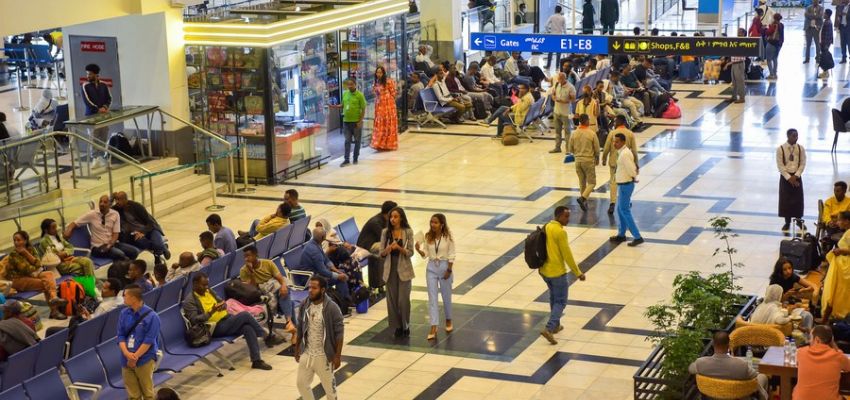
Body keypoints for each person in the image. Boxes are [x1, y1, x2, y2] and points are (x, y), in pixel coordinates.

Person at [183, 273, 275, 370]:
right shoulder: (190, 300)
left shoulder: (209, 291)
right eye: (203, 285)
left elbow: (222, 302)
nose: (206, 287)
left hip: (227, 319)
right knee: (245, 315)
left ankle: (256, 361)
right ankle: (264, 334)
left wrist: (223, 305)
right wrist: (211, 312)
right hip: (214, 327)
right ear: (195, 284)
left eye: (207, 285)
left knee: (247, 327)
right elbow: (194, 320)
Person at [538, 206, 585, 344]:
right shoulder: (560, 232)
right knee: (561, 301)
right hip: (557, 273)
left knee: (554, 298)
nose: (568, 219)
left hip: (545, 271)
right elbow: (567, 255)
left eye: (568, 216)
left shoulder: (547, 227)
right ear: (558, 216)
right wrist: (578, 273)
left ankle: (556, 325)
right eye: (566, 216)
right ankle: (549, 328)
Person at [295, 276, 345, 400]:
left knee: (330, 390)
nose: (310, 290)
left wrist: (337, 356)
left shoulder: (332, 308)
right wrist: (297, 349)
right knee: (301, 384)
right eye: (309, 287)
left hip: (324, 355)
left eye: (314, 288)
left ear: (322, 290)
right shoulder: (304, 305)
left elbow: (340, 334)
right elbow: (300, 328)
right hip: (307, 352)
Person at [688, 331, 769, 399]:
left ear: (713, 344)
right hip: (737, 397)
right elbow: (754, 375)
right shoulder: (741, 365)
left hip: (712, 397)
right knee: (762, 376)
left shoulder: (701, 363)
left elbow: (691, 369)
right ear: (729, 345)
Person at [6, 231, 68, 319]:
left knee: (49, 274)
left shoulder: (31, 249)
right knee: (45, 284)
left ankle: (54, 298)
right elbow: (26, 269)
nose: (16, 242)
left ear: (25, 240)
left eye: (19, 240)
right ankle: (54, 311)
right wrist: (27, 255)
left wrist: (27, 254)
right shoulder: (13, 254)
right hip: (18, 280)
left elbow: (39, 264)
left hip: (32, 275)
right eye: (14, 240)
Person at [415, 214, 455, 341]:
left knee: (446, 295)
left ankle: (448, 319)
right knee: (432, 297)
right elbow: (426, 253)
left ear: (442, 224)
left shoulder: (448, 237)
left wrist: (449, 269)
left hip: (444, 267)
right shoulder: (428, 236)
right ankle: (434, 325)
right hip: (431, 267)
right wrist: (419, 250)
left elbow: (452, 254)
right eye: (431, 222)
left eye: (436, 222)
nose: (433, 224)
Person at [118, 284, 161, 400]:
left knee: (148, 394)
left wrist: (135, 357)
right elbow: (120, 336)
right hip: (126, 359)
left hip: (144, 359)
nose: (123, 298)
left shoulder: (152, 317)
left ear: (133, 298)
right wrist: (127, 354)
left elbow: (149, 341)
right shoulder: (124, 313)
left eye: (125, 296)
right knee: (133, 395)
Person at [64, 194, 139, 260]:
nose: (102, 204)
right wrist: (69, 229)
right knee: (120, 254)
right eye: (100, 201)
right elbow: (74, 223)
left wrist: (110, 244)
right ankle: (124, 271)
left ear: (110, 204)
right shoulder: (92, 214)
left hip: (112, 244)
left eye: (105, 202)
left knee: (134, 252)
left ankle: (126, 269)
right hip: (98, 247)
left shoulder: (115, 214)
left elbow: (116, 233)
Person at [380, 207, 414, 338]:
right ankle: (397, 326)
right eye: (391, 217)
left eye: (395, 217)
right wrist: (389, 248)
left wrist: (399, 248)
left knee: (403, 300)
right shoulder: (385, 232)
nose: (392, 219)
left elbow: (410, 252)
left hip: (404, 269)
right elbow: (381, 253)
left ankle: (406, 324)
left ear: (401, 218)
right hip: (390, 269)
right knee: (392, 300)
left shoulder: (408, 232)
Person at [794, 325, 850, 399]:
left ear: (817, 340)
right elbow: (848, 367)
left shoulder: (801, 352)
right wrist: (834, 346)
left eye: (810, 338)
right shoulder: (838, 356)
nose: (809, 341)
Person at [112, 192, 170, 262]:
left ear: (125, 199)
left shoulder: (136, 206)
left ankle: (160, 249)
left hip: (150, 229)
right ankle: (162, 249)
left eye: (119, 200)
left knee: (157, 243)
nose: (117, 202)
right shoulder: (116, 209)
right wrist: (110, 199)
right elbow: (105, 211)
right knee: (142, 242)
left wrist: (143, 232)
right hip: (135, 234)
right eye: (116, 200)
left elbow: (150, 221)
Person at [240, 245, 293, 321]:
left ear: (256, 255)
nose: (246, 259)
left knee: (284, 291)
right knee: (289, 302)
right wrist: (251, 272)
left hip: (274, 286)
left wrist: (284, 285)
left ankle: (289, 322)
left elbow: (280, 278)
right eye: (245, 257)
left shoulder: (268, 263)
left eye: (248, 256)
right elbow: (252, 288)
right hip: (261, 291)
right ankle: (290, 322)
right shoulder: (244, 270)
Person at [296, 228, 351, 301]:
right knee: (340, 278)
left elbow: (325, 258)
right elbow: (322, 271)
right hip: (310, 279)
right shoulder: (315, 251)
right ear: (323, 238)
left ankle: (343, 300)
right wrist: (337, 276)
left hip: (316, 274)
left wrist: (336, 270)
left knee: (341, 273)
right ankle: (344, 301)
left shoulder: (314, 243)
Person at [609, 133, 644, 246]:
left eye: (617, 141)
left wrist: (633, 176)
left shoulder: (624, 154)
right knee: (620, 210)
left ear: (623, 142)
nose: (615, 143)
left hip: (625, 185)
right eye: (614, 141)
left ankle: (637, 236)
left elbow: (631, 169)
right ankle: (621, 234)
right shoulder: (623, 152)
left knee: (624, 210)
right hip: (623, 184)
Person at [602, 116, 638, 215]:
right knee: (626, 182)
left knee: (613, 182)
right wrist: (636, 163)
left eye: (615, 121)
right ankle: (627, 201)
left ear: (619, 122)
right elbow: (634, 150)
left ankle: (612, 203)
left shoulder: (612, 133)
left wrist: (604, 158)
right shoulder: (630, 134)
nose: (614, 123)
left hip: (614, 162)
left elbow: (606, 148)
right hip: (626, 163)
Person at [328, 79, 366, 166]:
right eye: (348, 85)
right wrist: (334, 106)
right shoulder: (345, 93)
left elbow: (363, 109)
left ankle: (355, 158)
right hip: (346, 122)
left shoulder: (360, 95)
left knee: (357, 141)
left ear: (355, 85)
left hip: (356, 122)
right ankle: (346, 159)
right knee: (347, 141)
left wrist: (360, 121)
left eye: (351, 84)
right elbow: (343, 105)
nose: (349, 86)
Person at [82, 64, 113, 168]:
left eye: (90, 74)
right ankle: (95, 158)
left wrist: (105, 107)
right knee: (93, 138)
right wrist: (97, 109)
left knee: (103, 136)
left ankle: (102, 157)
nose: (88, 76)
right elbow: (87, 101)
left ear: (96, 74)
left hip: (103, 116)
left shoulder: (104, 85)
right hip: (91, 116)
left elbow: (109, 98)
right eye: (87, 74)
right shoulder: (85, 85)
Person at [821, 211, 850, 322]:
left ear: (846, 221)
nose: (838, 222)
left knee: (836, 290)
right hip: (842, 264)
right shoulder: (847, 232)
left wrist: (841, 250)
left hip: (845, 267)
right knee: (836, 290)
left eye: (839, 220)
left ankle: (833, 315)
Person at [776, 129, 806, 232]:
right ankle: (787, 222)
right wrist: (789, 178)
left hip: (797, 176)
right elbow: (780, 166)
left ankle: (798, 220)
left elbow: (802, 163)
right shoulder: (781, 149)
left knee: (798, 199)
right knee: (786, 200)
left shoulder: (800, 148)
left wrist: (796, 175)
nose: (796, 138)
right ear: (788, 136)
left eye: (797, 136)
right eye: (794, 136)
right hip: (785, 178)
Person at [570, 114, 600, 212]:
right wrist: (597, 158)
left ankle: (584, 202)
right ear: (586, 121)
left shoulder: (574, 133)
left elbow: (570, 148)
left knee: (582, 182)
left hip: (578, 160)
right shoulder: (591, 133)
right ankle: (583, 198)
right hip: (588, 160)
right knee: (592, 182)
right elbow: (596, 148)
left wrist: (577, 154)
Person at [370, 66, 399, 152]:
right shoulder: (375, 83)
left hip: (388, 105)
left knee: (388, 123)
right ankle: (379, 143)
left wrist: (389, 101)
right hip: (379, 105)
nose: (378, 74)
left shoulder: (389, 81)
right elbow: (374, 93)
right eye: (377, 72)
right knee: (380, 123)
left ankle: (388, 144)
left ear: (383, 73)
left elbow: (393, 93)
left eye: (380, 73)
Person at [549, 72, 576, 154]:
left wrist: (563, 101)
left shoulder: (570, 87)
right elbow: (552, 94)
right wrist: (554, 98)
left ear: (565, 78)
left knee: (568, 132)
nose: (559, 80)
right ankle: (557, 147)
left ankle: (568, 149)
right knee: (557, 131)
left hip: (566, 113)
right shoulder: (557, 85)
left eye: (561, 78)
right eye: (558, 78)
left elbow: (573, 99)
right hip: (557, 112)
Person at [765, 13, 785, 79]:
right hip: (779, 44)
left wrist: (767, 28)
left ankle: (771, 74)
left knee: (768, 59)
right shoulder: (781, 25)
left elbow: (768, 32)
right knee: (775, 58)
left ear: (774, 18)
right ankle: (775, 74)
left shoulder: (774, 25)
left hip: (772, 43)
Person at [821, 8, 835, 79]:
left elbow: (828, 35)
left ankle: (826, 72)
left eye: (824, 13)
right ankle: (825, 72)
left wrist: (826, 44)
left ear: (827, 14)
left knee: (825, 58)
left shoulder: (827, 22)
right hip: (824, 42)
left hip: (825, 43)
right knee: (824, 57)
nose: (823, 14)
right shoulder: (827, 21)